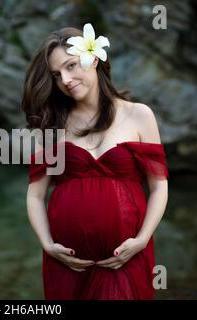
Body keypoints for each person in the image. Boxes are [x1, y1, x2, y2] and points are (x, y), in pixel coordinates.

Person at [21, 23, 169, 300]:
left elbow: (159, 186)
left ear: (95, 58)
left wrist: (141, 240)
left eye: (71, 65)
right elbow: (35, 196)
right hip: (67, 263)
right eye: (56, 74)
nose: (65, 79)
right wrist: (48, 245)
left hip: (126, 257)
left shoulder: (139, 115)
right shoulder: (51, 127)